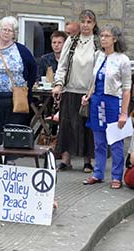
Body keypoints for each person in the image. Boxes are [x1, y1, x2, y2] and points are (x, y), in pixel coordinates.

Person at [0, 16, 37, 164]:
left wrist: (26, 88)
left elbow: (33, 70)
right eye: (4, 29)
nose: (6, 32)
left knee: (11, 131)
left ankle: (9, 160)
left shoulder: (21, 50)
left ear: (14, 33)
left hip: (14, 98)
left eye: (10, 30)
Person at [82, 24, 131, 189]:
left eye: (106, 36)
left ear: (115, 39)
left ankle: (117, 176)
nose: (102, 38)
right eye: (101, 35)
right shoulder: (98, 55)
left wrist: (124, 113)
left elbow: (126, 89)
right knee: (99, 142)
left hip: (112, 103)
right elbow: (94, 80)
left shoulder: (122, 60)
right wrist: (88, 96)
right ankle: (98, 173)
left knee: (116, 142)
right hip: (97, 102)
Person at [52, 9, 100, 173]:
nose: (85, 25)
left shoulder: (98, 43)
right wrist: (58, 84)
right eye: (83, 21)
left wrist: (93, 91)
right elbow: (62, 65)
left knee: (87, 127)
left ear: (94, 24)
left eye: (89, 22)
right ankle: (66, 160)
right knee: (67, 125)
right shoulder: (71, 41)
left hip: (90, 91)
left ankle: (88, 161)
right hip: (70, 89)